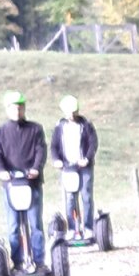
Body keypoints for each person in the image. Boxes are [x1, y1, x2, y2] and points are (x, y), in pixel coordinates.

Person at [0, 89, 48, 276]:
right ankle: (17, 264)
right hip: (11, 185)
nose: (18, 111)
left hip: (32, 183)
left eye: (20, 108)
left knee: (35, 225)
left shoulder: (35, 129)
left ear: (24, 109)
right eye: (14, 108)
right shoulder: (0, 133)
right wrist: (2, 171)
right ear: (8, 110)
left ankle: (39, 262)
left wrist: (36, 168)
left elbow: (41, 150)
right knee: (14, 226)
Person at [51, 94, 99, 238]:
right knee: (70, 198)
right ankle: (72, 228)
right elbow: (54, 146)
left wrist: (87, 158)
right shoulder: (60, 127)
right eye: (69, 112)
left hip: (84, 166)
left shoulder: (86, 125)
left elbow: (93, 143)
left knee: (86, 196)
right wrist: (56, 160)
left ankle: (88, 227)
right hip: (67, 167)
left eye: (74, 111)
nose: (72, 115)